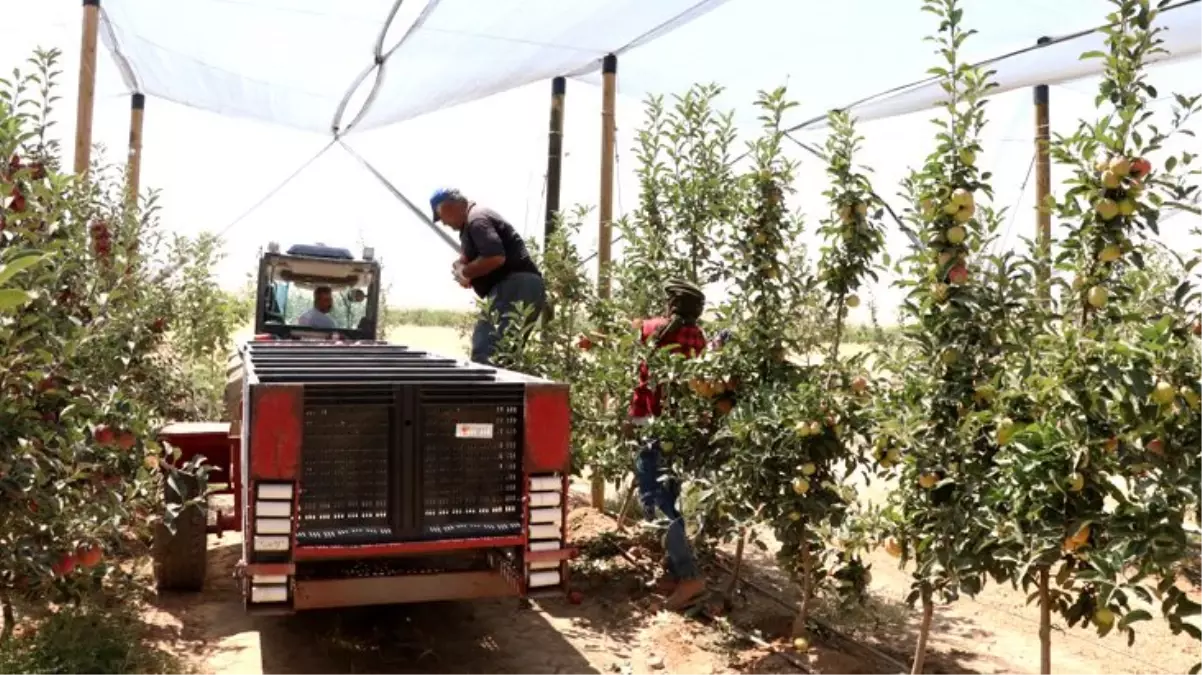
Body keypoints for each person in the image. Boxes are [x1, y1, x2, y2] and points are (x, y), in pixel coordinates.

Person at [629, 278, 708, 610]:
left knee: (655, 500)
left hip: (649, 421)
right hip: (679, 429)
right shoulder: (699, 338)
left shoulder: (651, 329)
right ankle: (675, 571)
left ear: (670, 304)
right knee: (669, 494)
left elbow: (633, 341)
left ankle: (689, 576)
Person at [430, 187, 545, 364]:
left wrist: (466, 272)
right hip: (520, 287)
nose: (443, 223)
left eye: (441, 217)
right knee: (505, 353)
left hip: (514, 287)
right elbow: (474, 256)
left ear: (451, 206)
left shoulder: (477, 220)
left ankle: (487, 391)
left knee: (487, 351)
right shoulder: (473, 223)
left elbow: (495, 257)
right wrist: (463, 266)